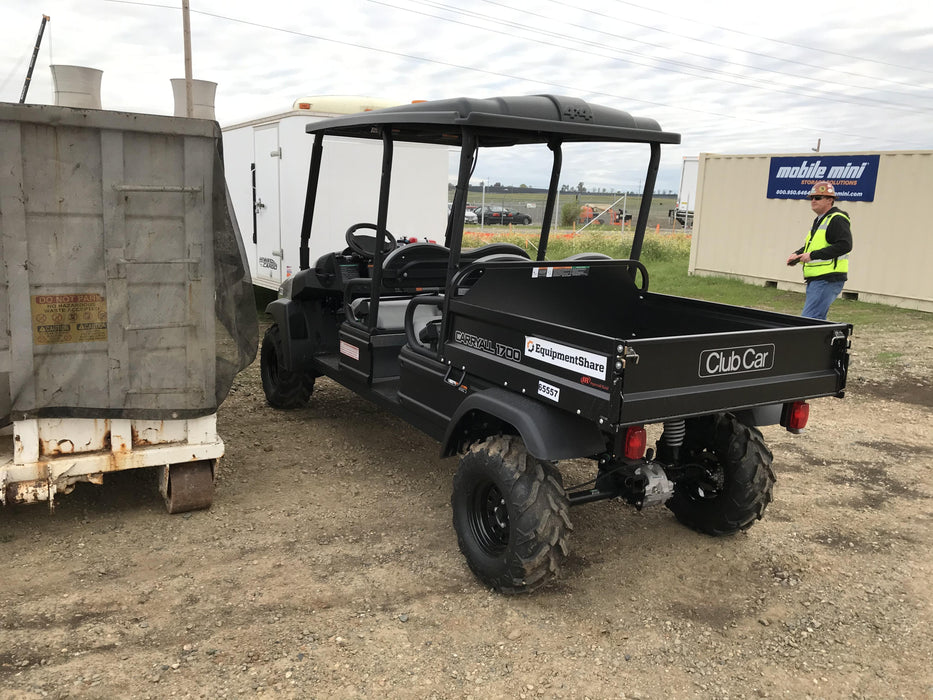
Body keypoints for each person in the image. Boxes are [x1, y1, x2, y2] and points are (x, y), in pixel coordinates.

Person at [786, 181, 852, 320]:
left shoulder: (837, 219)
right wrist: (798, 254)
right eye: (812, 198)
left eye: (818, 198)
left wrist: (813, 255)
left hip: (827, 278)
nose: (813, 201)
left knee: (809, 320)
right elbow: (812, 247)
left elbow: (845, 245)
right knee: (816, 320)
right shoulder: (820, 220)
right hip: (818, 279)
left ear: (830, 200)